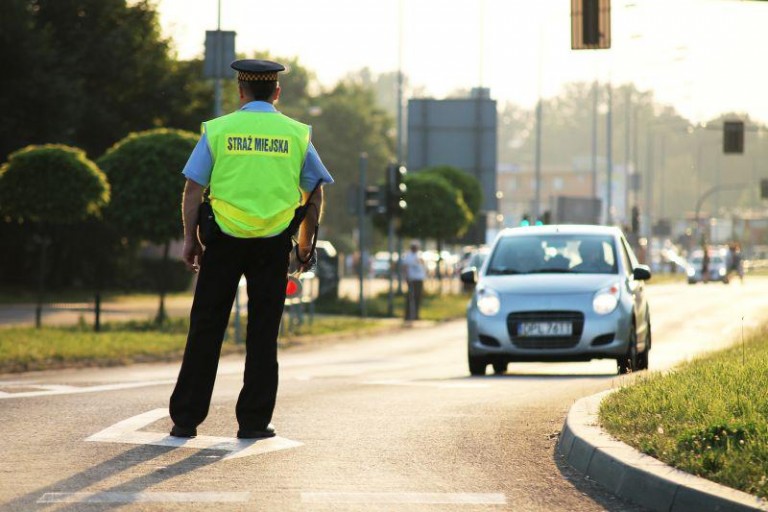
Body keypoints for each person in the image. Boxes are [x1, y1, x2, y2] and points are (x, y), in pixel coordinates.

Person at [169, 59, 334, 439]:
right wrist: (305, 248)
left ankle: (186, 419)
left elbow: (193, 188)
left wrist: (191, 239)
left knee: (206, 329)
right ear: (277, 92)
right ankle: (254, 421)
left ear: (241, 92)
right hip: (272, 245)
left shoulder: (220, 130)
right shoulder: (296, 134)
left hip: (224, 242)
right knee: (263, 335)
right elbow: (315, 191)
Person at [401, 241, 427, 321]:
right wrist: (407, 277)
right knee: (410, 297)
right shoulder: (408, 256)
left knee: (418, 297)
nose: (415, 248)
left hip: (419, 278)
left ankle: (416, 315)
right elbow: (405, 267)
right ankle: (408, 315)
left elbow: (423, 265)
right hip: (412, 279)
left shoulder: (419, 255)